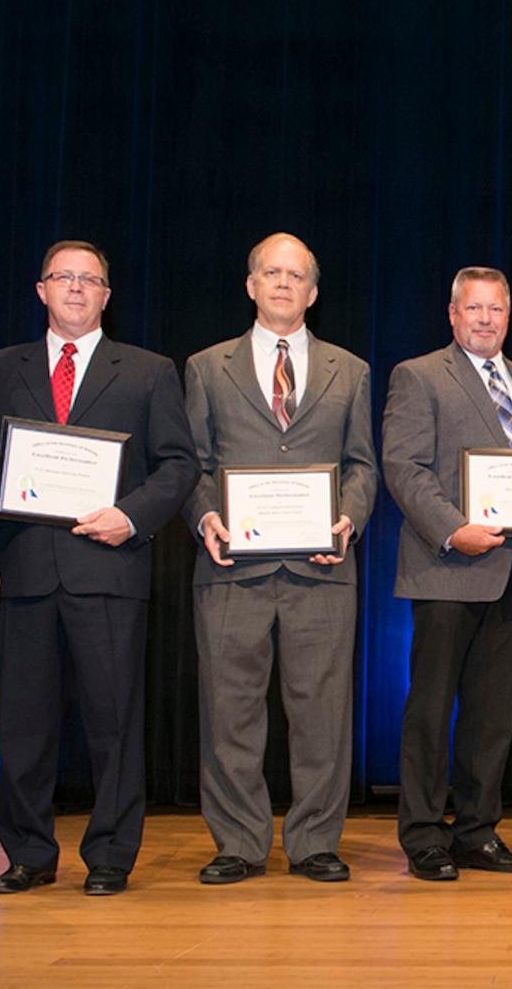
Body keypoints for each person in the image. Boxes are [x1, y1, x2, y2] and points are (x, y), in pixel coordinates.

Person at [0, 240, 197, 897]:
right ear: (40, 289)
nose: (75, 289)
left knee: (116, 723)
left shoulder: (149, 371)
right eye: (63, 277)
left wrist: (131, 514)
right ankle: (28, 853)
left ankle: (113, 854)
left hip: (110, 570)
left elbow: (179, 464)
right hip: (22, 573)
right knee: (23, 723)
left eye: (89, 280)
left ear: (106, 296)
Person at [181, 233, 377, 885]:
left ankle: (315, 842)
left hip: (322, 572)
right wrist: (206, 516)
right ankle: (238, 844)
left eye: (296, 276)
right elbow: (194, 465)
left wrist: (350, 514)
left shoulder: (349, 371)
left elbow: (362, 466)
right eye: (272, 272)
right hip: (232, 570)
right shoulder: (208, 367)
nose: (284, 284)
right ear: (251, 284)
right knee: (229, 712)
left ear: (313, 293)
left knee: (322, 714)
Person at [382, 267, 512, 881]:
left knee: (492, 716)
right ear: (452, 314)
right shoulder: (420, 375)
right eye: (473, 309)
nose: (485, 319)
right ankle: (425, 836)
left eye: (496, 310)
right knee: (430, 711)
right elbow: (403, 467)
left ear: (509, 317)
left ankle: (477, 832)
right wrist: (454, 527)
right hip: (445, 567)